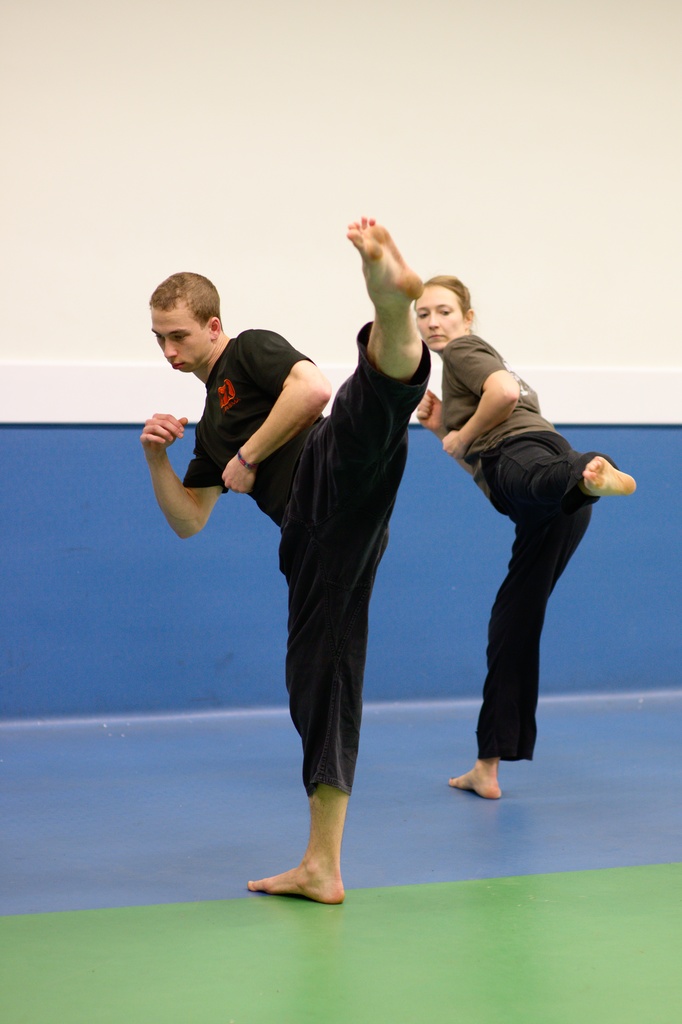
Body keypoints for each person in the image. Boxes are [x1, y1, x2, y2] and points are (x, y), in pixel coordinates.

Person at [140, 218, 429, 902]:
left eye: (179, 335)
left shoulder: (249, 350)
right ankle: (322, 866)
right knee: (318, 681)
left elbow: (312, 390)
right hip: (316, 537)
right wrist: (155, 459)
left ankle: (391, 304)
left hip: (322, 478)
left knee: (367, 409)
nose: (170, 350)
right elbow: (189, 519)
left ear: (213, 327)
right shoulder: (209, 425)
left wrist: (247, 456)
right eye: (159, 339)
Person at [415, 275, 636, 800]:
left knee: (541, 478)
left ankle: (593, 470)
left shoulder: (464, 351)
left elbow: (504, 395)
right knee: (512, 626)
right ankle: (487, 766)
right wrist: (445, 430)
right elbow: (484, 461)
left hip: (533, 465)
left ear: (468, 318)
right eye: (423, 314)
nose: (433, 323)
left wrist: (462, 434)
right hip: (555, 500)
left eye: (444, 311)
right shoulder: (470, 367)